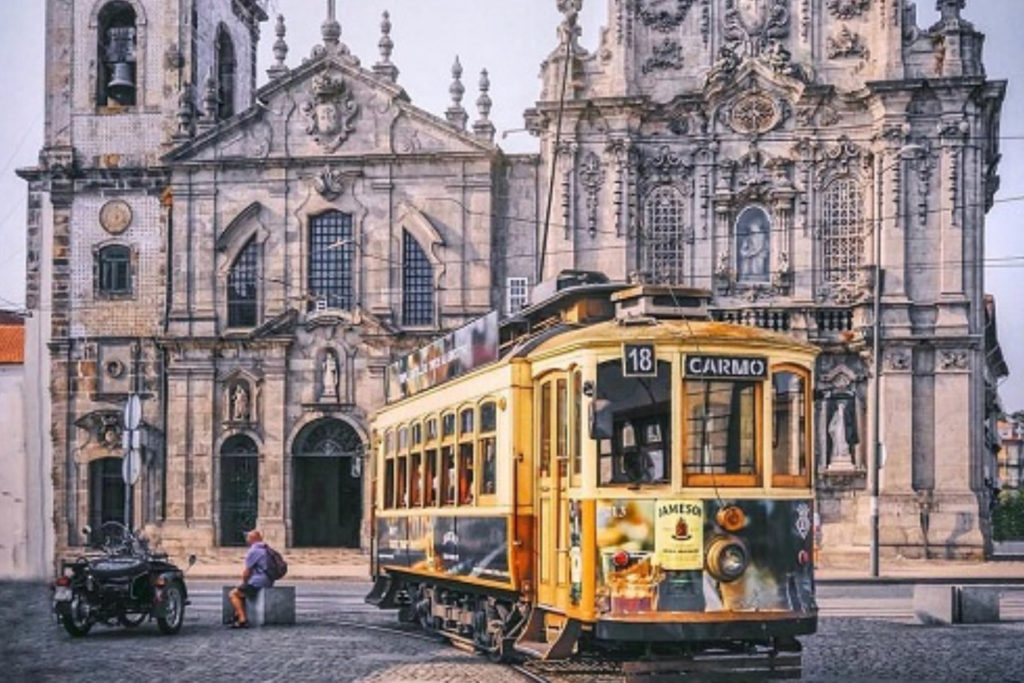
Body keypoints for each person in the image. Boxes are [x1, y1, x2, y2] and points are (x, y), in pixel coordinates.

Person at [227, 529, 274, 628]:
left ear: (252, 539)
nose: (246, 539)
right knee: (242, 593)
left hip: (258, 582)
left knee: (233, 594)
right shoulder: (266, 548)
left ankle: (242, 620)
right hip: (268, 580)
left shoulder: (254, 551)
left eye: (248, 537)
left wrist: (244, 583)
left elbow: (247, 572)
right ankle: (236, 615)